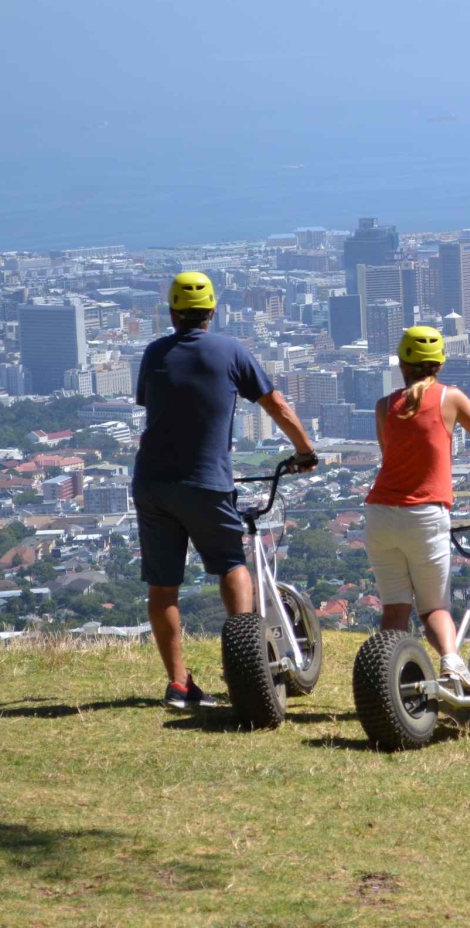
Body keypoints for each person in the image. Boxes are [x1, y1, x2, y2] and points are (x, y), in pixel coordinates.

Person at [133, 271, 318, 710]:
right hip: (205, 482)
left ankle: (179, 685)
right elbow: (275, 403)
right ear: (212, 311)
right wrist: (305, 449)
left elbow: (153, 403)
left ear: (172, 313)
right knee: (232, 566)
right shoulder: (230, 350)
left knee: (163, 588)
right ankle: (247, 672)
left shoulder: (154, 352)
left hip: (152, 483)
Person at [365, 326, 470, 691]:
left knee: (395, 608)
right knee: (434, 609)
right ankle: (451, 662)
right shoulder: (452, 397)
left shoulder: (383, 406)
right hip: (425, 514)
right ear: (440, 364)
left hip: (379, 514)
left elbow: (389, 460)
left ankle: (385, 687)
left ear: (401, 364)